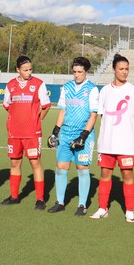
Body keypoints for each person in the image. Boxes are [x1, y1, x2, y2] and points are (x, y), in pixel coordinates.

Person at [90, 54, 134, 222]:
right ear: (114, 70)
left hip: (126, 145)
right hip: (106, 143)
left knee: (127, 174)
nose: (124, 72)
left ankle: (129, 211)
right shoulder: (105, 91)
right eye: (121, 69)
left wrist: (129, 131)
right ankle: (102, 208)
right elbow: (102, 116)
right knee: (105, 174)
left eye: (127, 69)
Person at [46, 56, 98, 216]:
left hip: (84, 135)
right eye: (74, 72)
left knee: (82, 168)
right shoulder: (66, 87)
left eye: (80, 72)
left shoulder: (92, 89)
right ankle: (60, 202)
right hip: (66, 134)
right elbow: (62, 110)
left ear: (87, 72)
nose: (76, 75)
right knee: (61, 168)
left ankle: (82, 205)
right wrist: (55, 132)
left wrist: (83, 135)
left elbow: (93, 115)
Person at [1, 55, 51, 210]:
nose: (29, 72)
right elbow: (7, 105)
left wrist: (37, 120)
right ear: (17, 70)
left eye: (30, 69)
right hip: (14, 132)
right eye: (25, 70)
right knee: (15, 163)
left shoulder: (38, 84)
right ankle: (14, 196)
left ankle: (40, 199)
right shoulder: (10, 85)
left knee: (35, 162)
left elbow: (46, 105)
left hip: (32, 133)